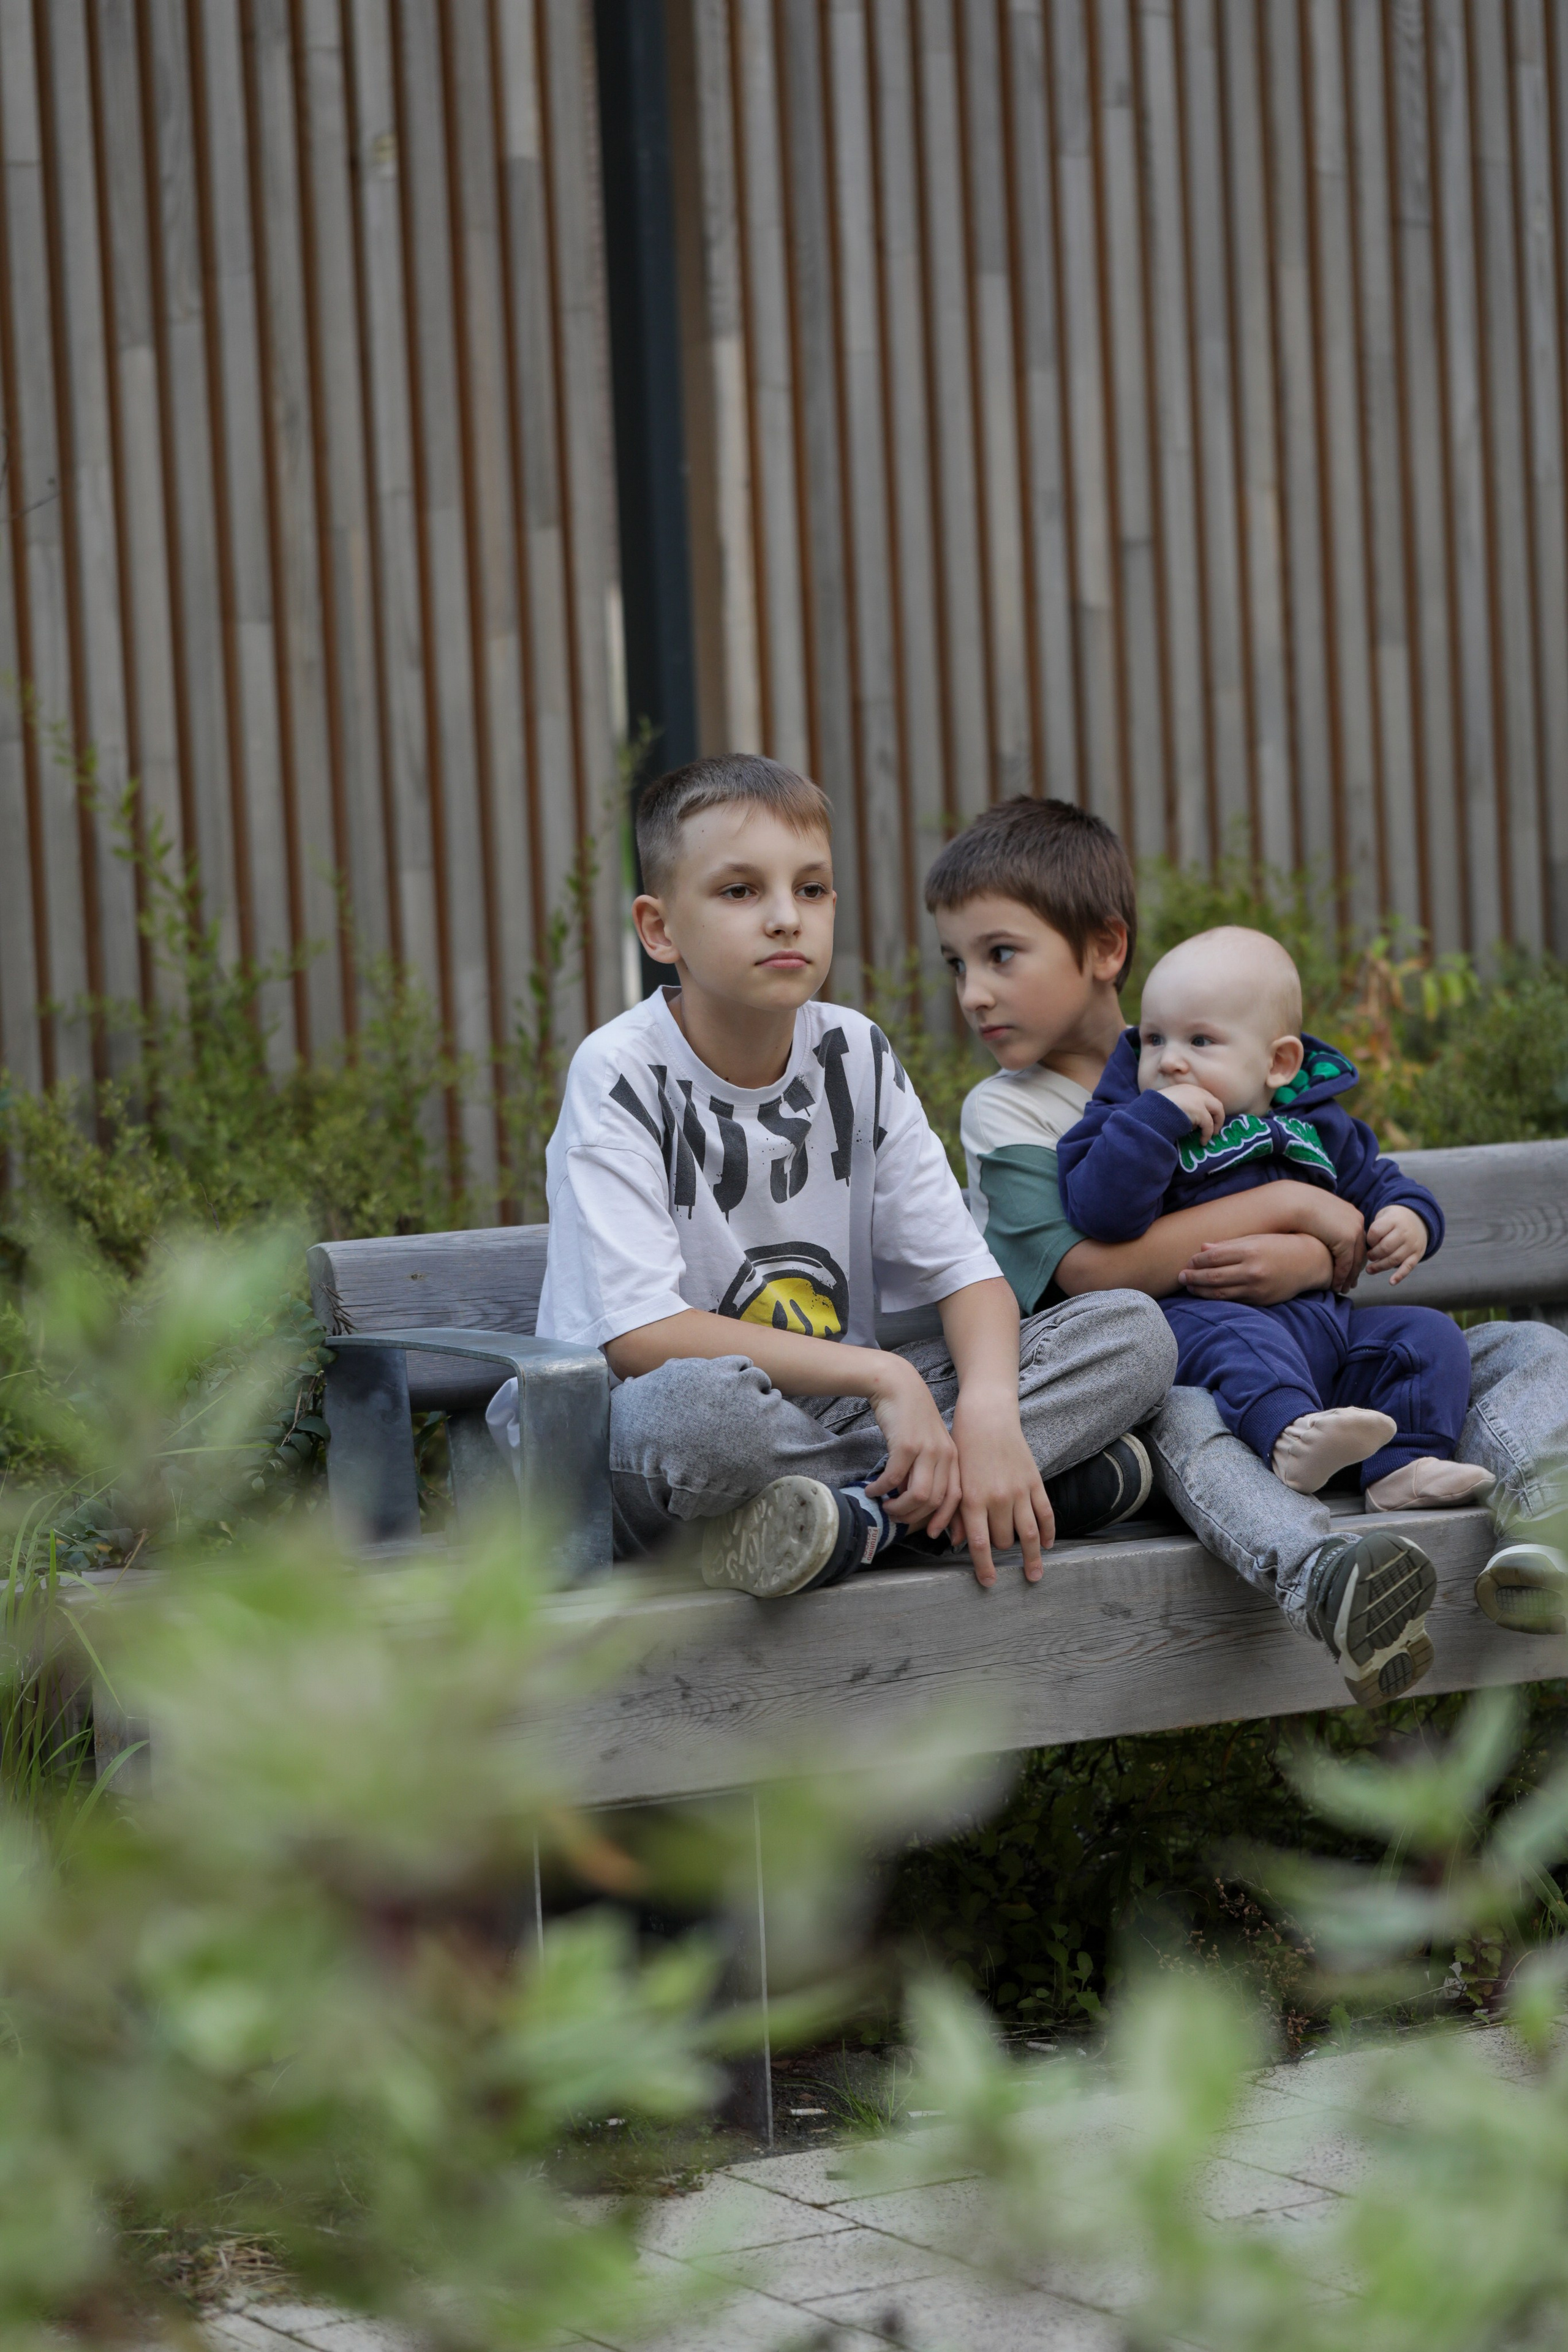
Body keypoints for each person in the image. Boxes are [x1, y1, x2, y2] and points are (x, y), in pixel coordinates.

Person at [924, 796, 1568, 1700]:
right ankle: (1326, 1576)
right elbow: (1091, 1274)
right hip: (1176, 1386)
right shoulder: (1026, 1109)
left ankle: (1542, 1532)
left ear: (1105, 950)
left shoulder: (1220, 1041)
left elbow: (1356, 1196)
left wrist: (1323, 1250)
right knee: (1184, 1412)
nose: (973, 993)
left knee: (1523, 1345)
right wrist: (1290, 1207)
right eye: (957, 965)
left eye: (999, 955)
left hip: (1325, 1359)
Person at [487, 756, 1176, 1597]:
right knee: (705, 1414)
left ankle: (850, 1521)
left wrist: (993, 1410)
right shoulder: (621, 1071)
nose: (786, 918)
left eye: (811, 889)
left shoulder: (854, 1051)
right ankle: (930, 1502)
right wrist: (884, 1377)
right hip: (629, 1448)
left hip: (821, 1418)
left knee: (1131, 1334)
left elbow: (968, 1275)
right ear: (659, 929)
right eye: (740, 891)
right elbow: (639, 1335)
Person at [1055, 925, 1492, 1519]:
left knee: (1428, 1336)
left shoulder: (1319, 1126)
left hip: (1324, 1329)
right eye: (1153, 1038)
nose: (1169, 1060)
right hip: (1203, 1317)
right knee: (1244, 1342)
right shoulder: (1128, 1124)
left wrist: (1407, 1216)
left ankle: (1403, 1467)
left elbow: (1374, 1181)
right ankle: (1290, 1440)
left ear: (1279, 1063)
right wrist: (1154, 1122)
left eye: (1200, 1040)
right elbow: (1100, 1212)